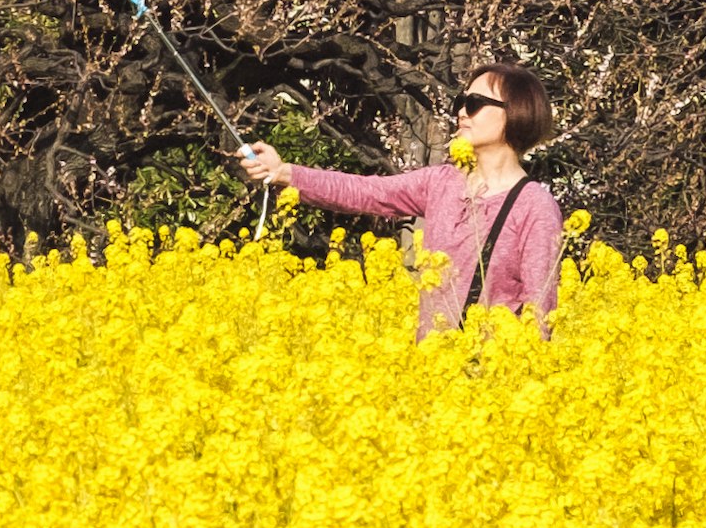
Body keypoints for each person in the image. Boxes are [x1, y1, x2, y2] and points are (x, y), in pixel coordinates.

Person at [235, 66, 564, 334]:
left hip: (491, 384)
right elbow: (366, 193)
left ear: (516, 112)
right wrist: (286, 174)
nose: (462, 111)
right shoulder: (441, 182)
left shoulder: (534, 207)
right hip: (429, 371)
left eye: (475, 103)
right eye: (460, 102)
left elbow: (540, 310)